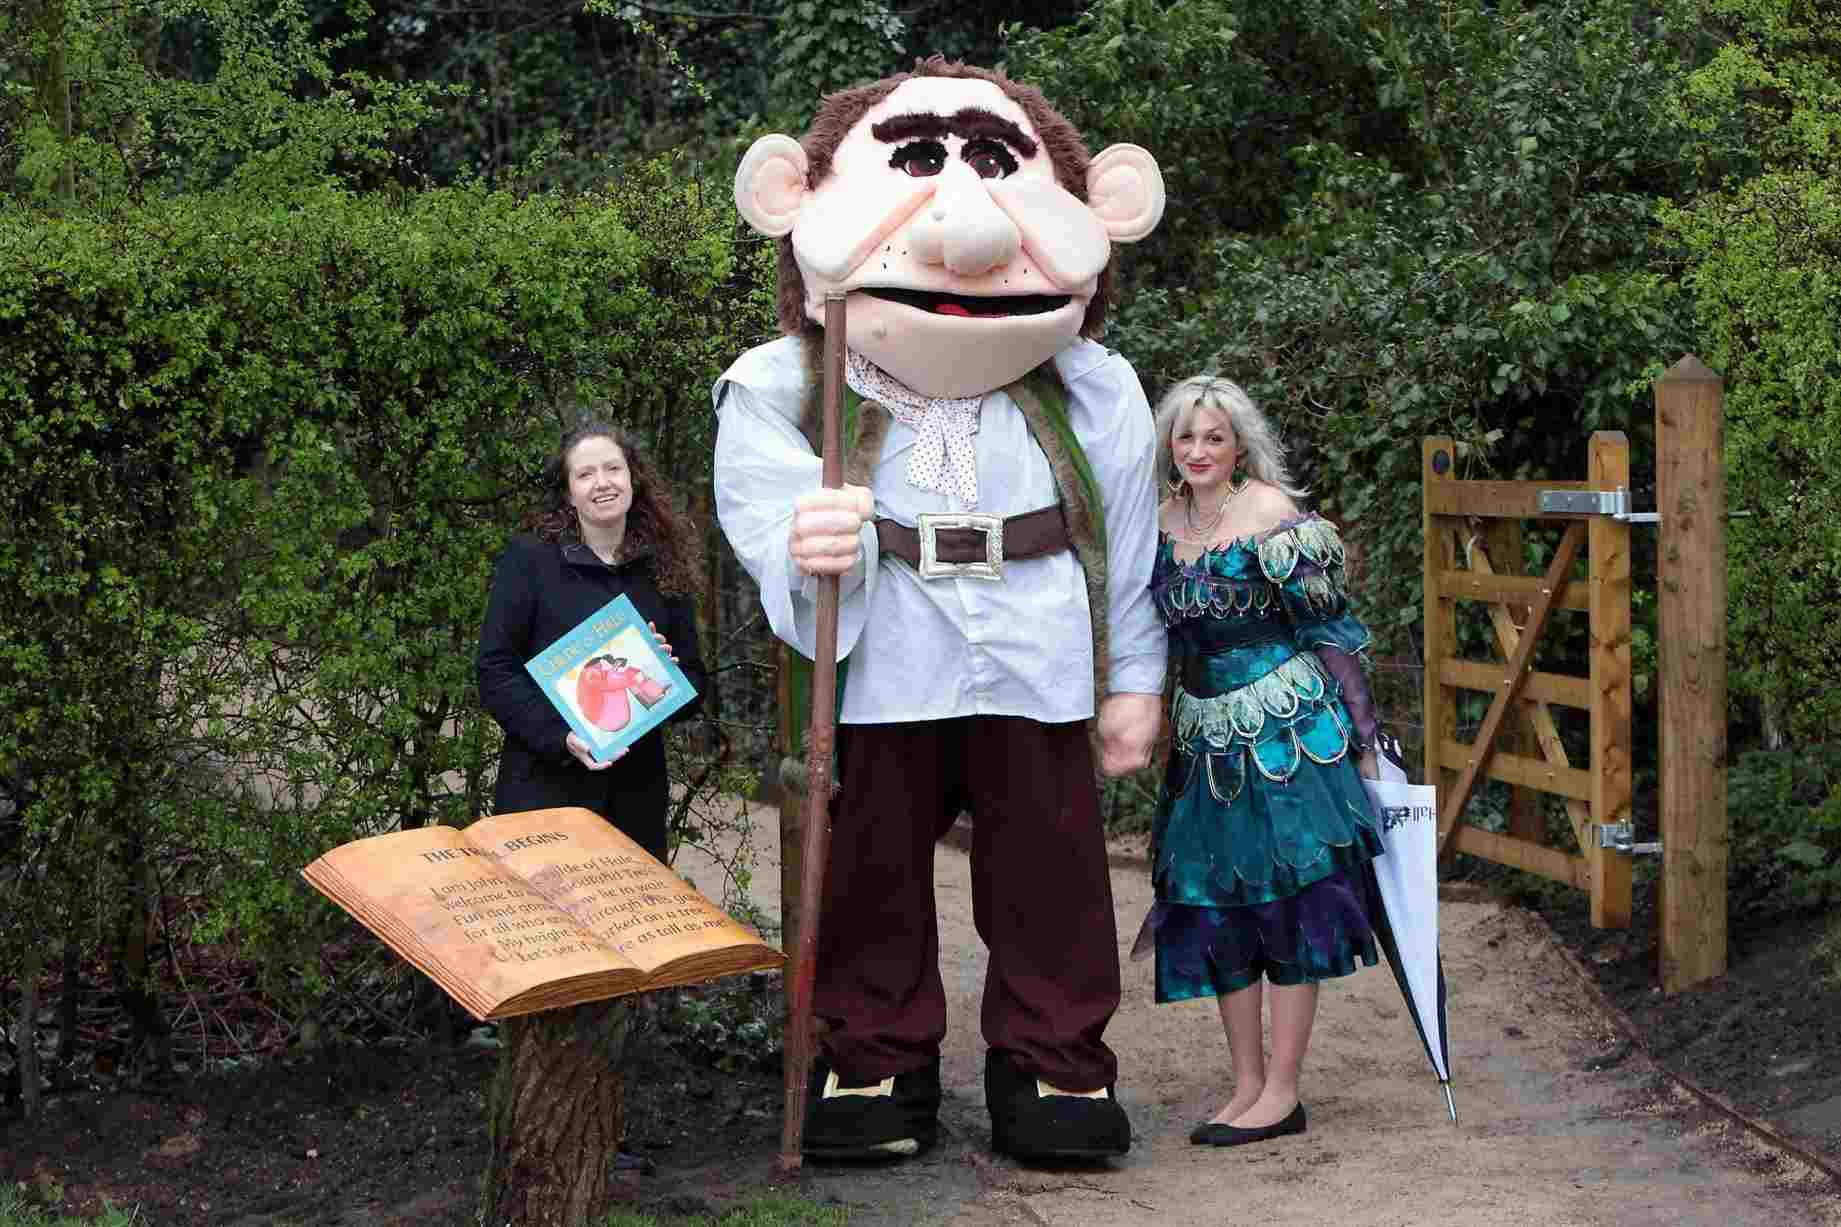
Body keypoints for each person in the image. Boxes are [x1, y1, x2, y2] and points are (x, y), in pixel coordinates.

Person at [716, 57, 1169, 1161]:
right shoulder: (788, 378)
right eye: (919, 163)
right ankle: (874, 1060)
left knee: (1049, 864)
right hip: (882, 649)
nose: (962, 232)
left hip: (1036, 639)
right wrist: (802, 535)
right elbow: (758, 487)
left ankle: (1055, 1066)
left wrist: (1133, 682)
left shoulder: (1092, 383)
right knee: (869, 861)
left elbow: (1125, 534)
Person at [1136, 375, 1384, 1147]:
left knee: (1289, 901)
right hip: (1202, 741)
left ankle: (1282, 1088)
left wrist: (1365, 739)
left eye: (1214, 436)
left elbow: (1329, 629)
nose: (1199, 449)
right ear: (1168, 446)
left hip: (1289, 736)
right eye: (1185, 436)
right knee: (1214, 904)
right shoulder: (1156, 522)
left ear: (1237, 444)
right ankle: (1244, 1083)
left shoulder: (1273, 513)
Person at [477, 421, 706, 862]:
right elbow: (495, 671)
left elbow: (694, 684)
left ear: (631, 478)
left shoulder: (663, 567)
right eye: (585, 475)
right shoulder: (529, 561)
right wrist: (562, 736)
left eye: (612, 469)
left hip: (634, 801)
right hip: (543, 792)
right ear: (568, 493)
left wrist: (666, 673)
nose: (602, 483)